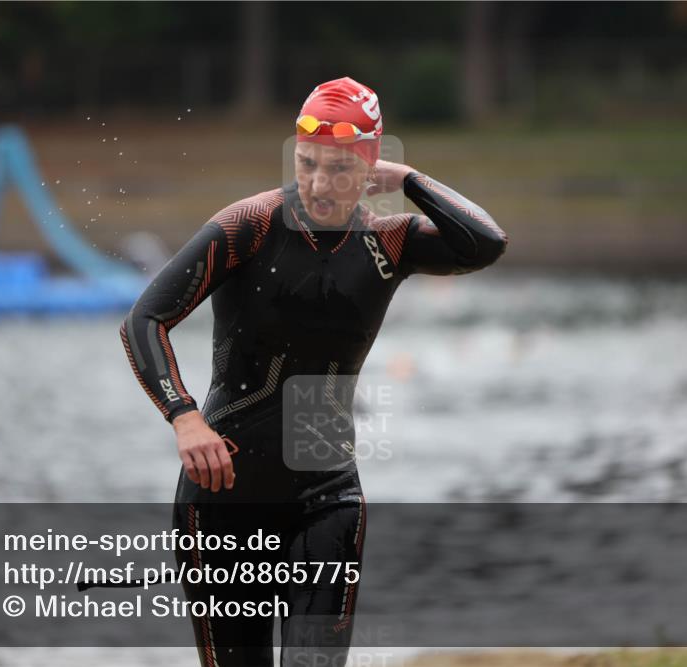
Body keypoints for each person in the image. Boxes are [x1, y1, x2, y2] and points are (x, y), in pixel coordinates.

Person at [121, 76, 508, 667]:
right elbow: (145, 319)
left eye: (339, 169)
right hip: (225, 498)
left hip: (327, 494)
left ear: (372, 162)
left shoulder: (388, 240)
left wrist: (408, 182)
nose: (320, 186)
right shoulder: (250, 224)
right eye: (307, 165)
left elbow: (484, 242)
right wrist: (184, 418)